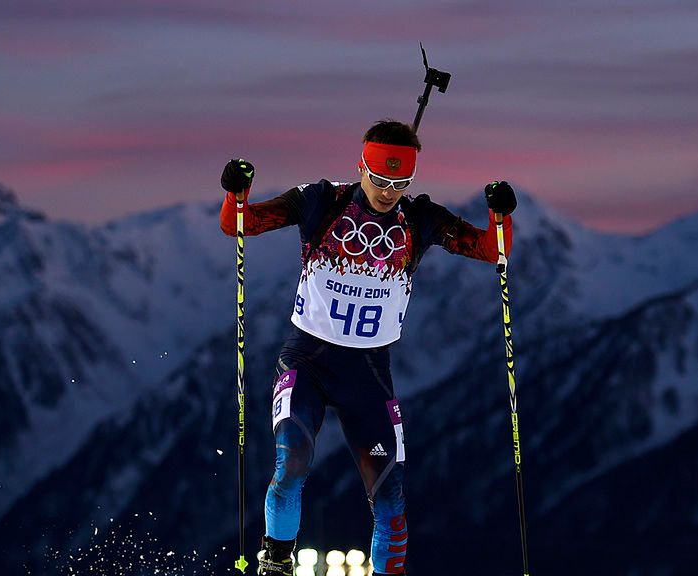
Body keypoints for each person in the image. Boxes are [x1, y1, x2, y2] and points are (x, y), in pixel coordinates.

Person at [219, 118, 516, 576]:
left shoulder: (419, 218)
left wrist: (500, 215)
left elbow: (491, 250)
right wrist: (236, 192)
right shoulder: (322, 199)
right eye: (379, 179)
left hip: (368, 373)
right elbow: (242, 224)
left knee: (391, 495)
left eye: (400, 182)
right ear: (361, 166)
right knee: (292, 461)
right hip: (308, 360)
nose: (388, 191)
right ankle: (275, 563)